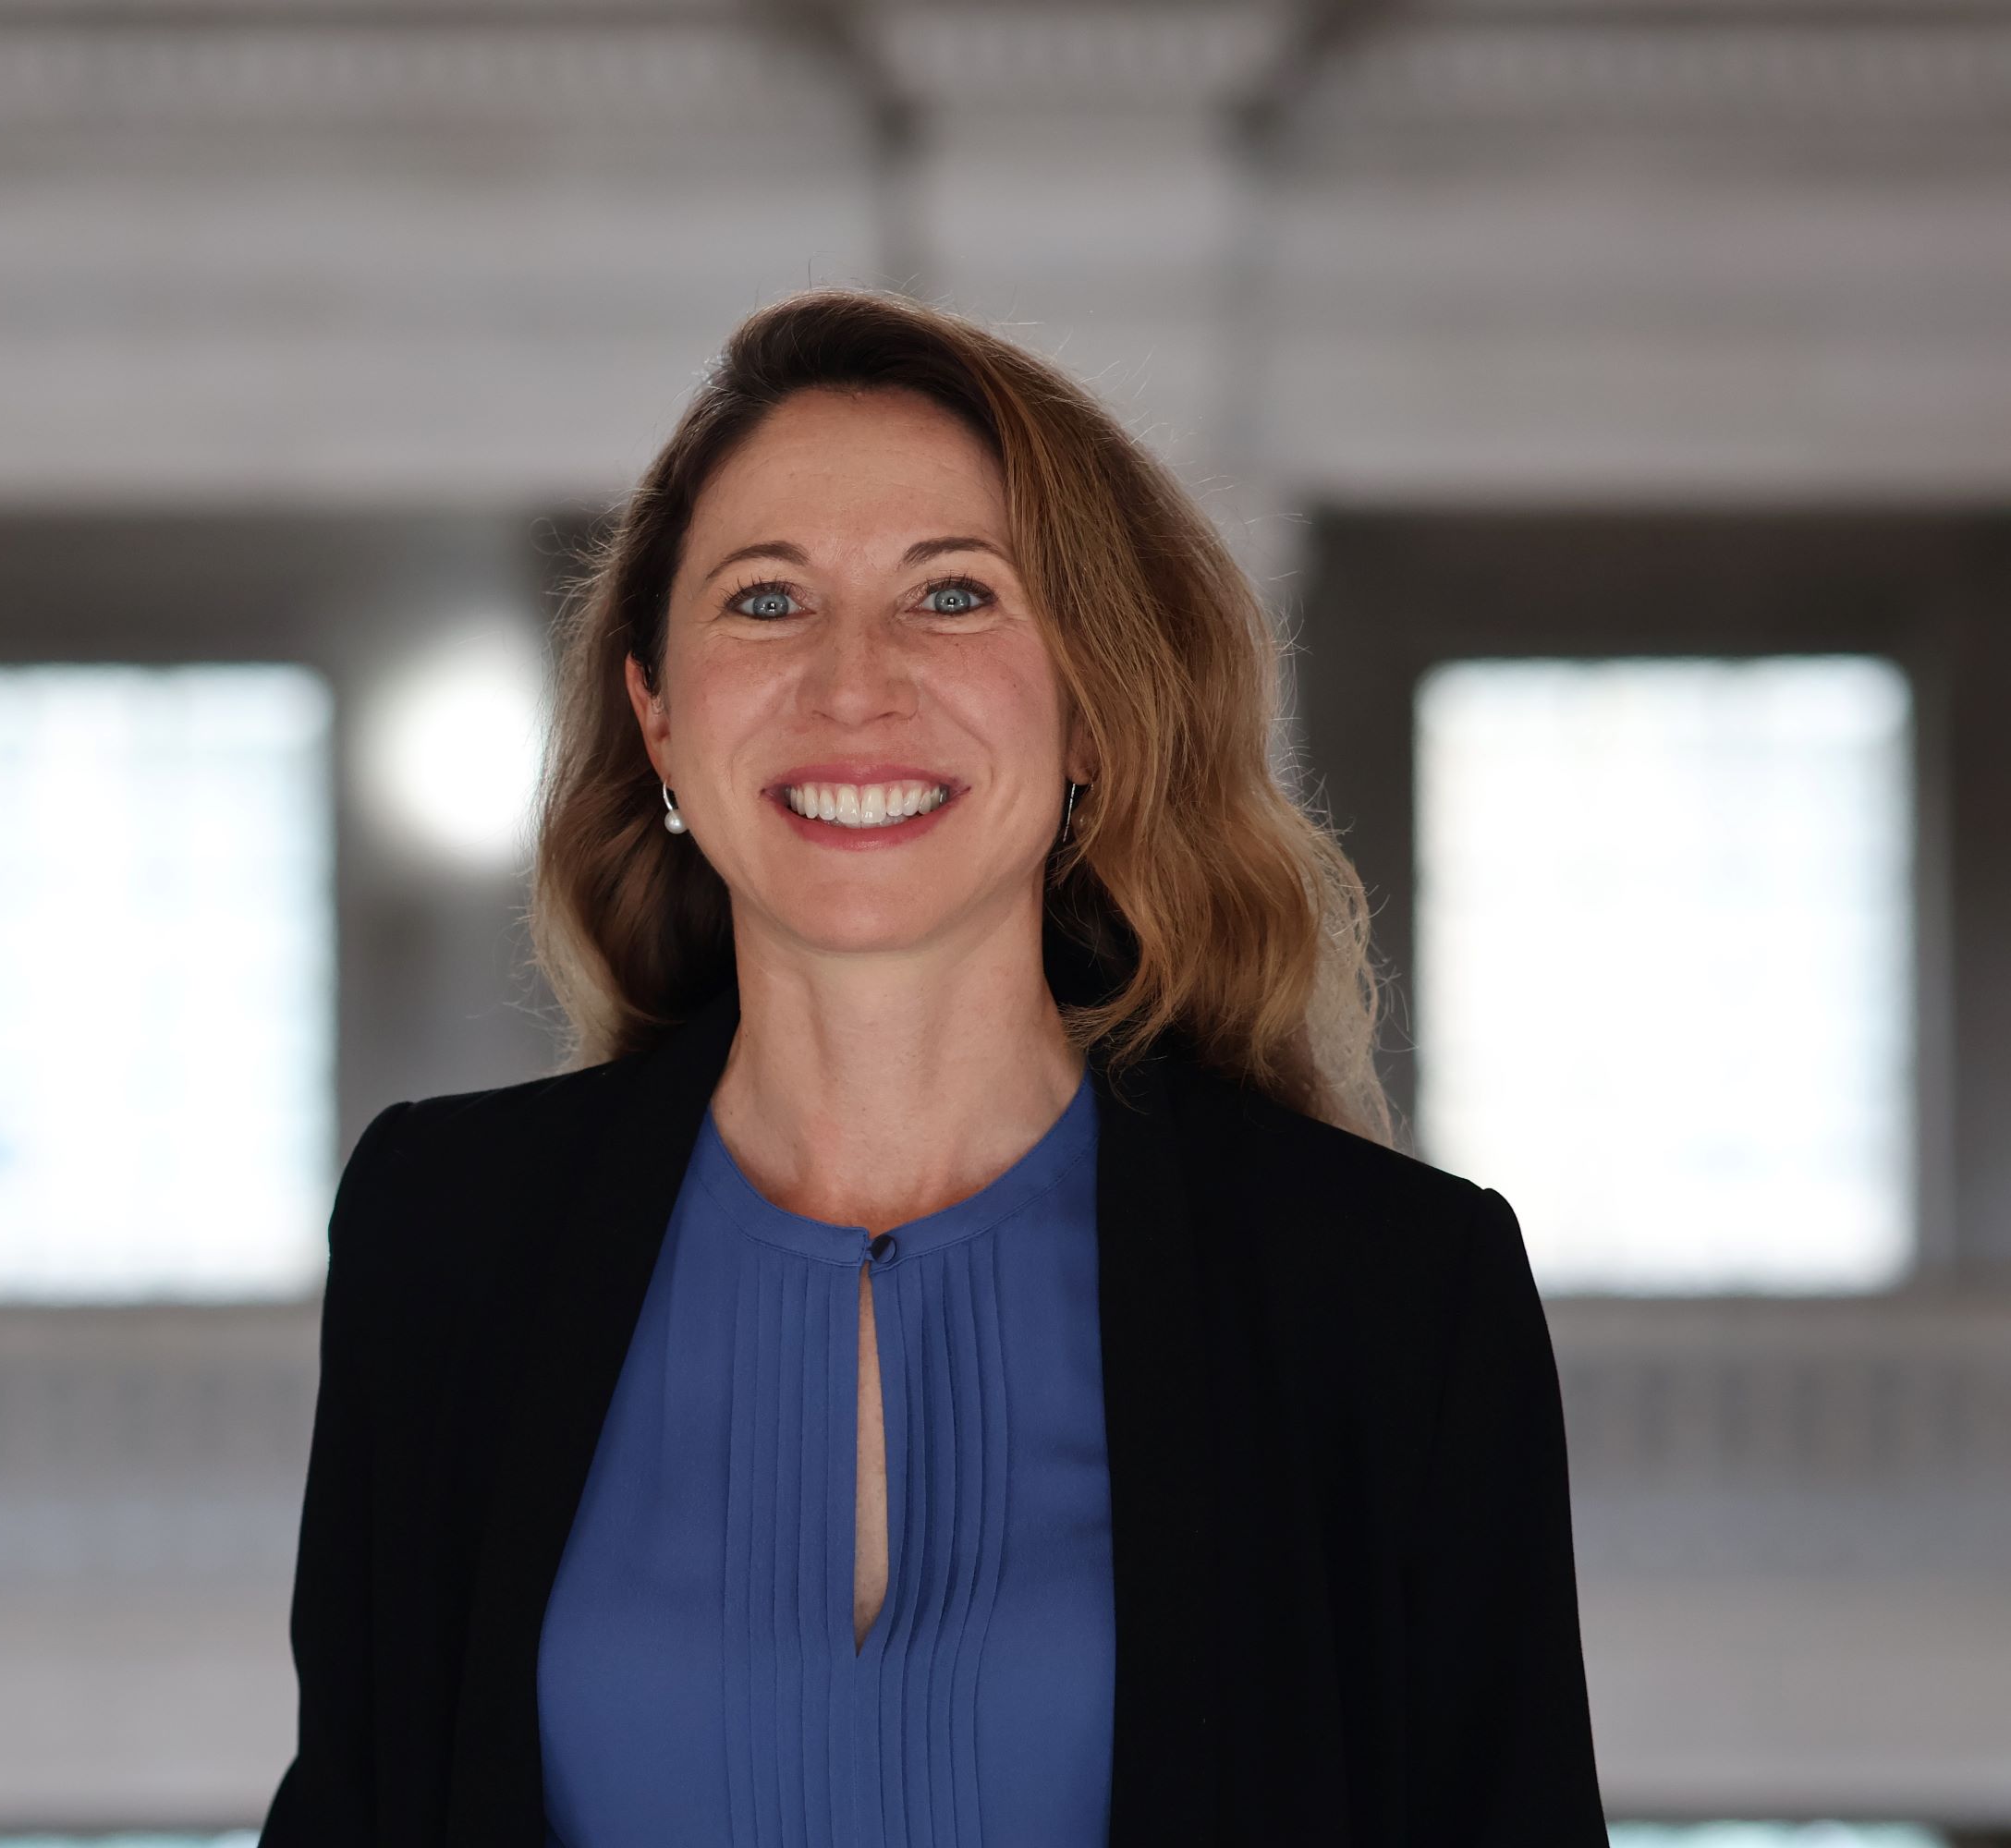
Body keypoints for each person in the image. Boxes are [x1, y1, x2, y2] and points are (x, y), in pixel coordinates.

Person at [261, 288, 1604, 1846]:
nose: (854, 684)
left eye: (954, 595)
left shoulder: (1389, 1291)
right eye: (767, 602)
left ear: (1092, 707)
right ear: (658, 717)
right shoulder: (446, 1238)